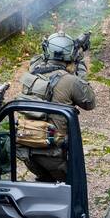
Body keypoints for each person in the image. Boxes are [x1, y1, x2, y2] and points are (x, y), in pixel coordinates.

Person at [16, 31, 96, 182]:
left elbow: (40, 58)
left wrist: (71, 48)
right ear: (70, 56)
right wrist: (79, 60)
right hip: (54, 154)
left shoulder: (34, 70)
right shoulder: (70, 81)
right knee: (73, 187)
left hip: (28, 151)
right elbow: (89, 102)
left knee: (45, 181)